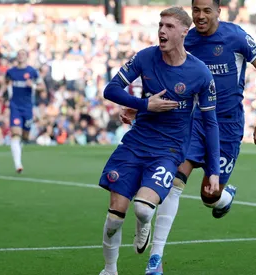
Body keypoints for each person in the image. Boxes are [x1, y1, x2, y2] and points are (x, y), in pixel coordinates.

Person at [138, 0, 256, 273]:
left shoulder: (236, 37)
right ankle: (155, 259)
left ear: (218, 12)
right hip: (192, 122)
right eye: (196, 10)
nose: (201, 16)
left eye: (206, 10)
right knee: (174, 181)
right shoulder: (185, 39)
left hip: (226, 126)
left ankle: (224, 198)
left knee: (209, 196)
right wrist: (141, 108)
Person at [97, 6, 221, 275]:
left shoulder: (200, 73)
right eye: (160, 25)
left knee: (142, 209)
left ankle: (144, 224)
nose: (162, 31)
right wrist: (143, 105)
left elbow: (210, 123)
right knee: (114, 216)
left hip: (169, 150)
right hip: (135, 144)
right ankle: (109, 270)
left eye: (169, 27)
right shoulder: (144, 57)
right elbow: (111, 89)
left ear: (184, 33)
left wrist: (213, 171)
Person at [0, 49, 45, 173]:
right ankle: (18, 164)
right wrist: (1, 93)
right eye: (19, 54)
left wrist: (33, 85)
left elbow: (42, 87)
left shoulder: (32, 71)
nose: (20, 56)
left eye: (23, 54)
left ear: (27, 57)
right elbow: (5, 82)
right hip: (15, 106)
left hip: (28, 107)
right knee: (15, 134)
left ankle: (19, 146)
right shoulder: (11, 71)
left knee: (25, 136)